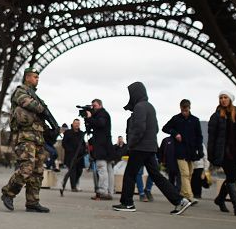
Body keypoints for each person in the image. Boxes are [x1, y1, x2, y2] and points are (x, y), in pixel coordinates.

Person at [112, 81, 192, 215]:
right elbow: (155, 128)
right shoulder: (150, 107)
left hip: (139, 147)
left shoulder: (139, 107)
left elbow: (139, 129)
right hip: (150, 147)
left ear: (135, 94)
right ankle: (180, 200)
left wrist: (131, 144)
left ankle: (127, 203)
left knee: (130, 174)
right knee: (157, 176)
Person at [1, 68, 51, 213]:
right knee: (27, 168)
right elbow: (28, 104)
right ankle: (8, 193)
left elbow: (38, 115)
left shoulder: (35, 96)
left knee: (38, 171)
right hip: (25, 136)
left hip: (38, 138)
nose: (37, 79)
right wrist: (42, 109)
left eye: (38, 77)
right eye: (35, 77)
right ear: (27, 77)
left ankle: (32, 202)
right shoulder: (21, 91)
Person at [208, 90, 236, 218]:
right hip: (224, 153)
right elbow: (212, 139)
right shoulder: (216, 116)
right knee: (232, 178)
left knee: (230, 178)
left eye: (225, 97)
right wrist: (212, 156)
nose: (222, 100)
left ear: (230, 99)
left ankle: (220, 199)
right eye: (220, 97)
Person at [162, 99, 204, 203]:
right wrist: (175, 133)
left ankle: (181, 195)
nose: (184, 112)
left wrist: (200, 150)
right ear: (180, 108)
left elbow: (199, 137)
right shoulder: (176, 119)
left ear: (189, 108)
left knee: (189, 174)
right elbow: (165, 128)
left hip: (192, 152)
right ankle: (190, 196)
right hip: (180, 151)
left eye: (186, 110)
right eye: (182, 110)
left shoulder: (195, 120)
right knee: (184, 174)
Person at [85, 99, 114, 200]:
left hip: (102, 146)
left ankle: (103, 191)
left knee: (102, 168)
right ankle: (109, 191)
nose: (93, 108)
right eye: (92, 106)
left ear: (100, 105)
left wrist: (89, 118)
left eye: (95, 106)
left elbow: (100, 124)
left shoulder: (102, 114)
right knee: (109, 169)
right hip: (107, 146)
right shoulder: (103, 114)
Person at [60, 118, 86, 195]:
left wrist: (84, 150)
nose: (77, 125)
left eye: (78, 123)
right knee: (72, 171)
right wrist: (70, 150)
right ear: (73, 124)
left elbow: (83, 143)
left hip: (80, 156)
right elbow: (64, 143)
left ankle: (75, 182)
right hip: (70, 155)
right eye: (76, 123)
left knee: (79, 170)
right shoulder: (68, 132)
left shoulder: (81, 133)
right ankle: (73, 186)